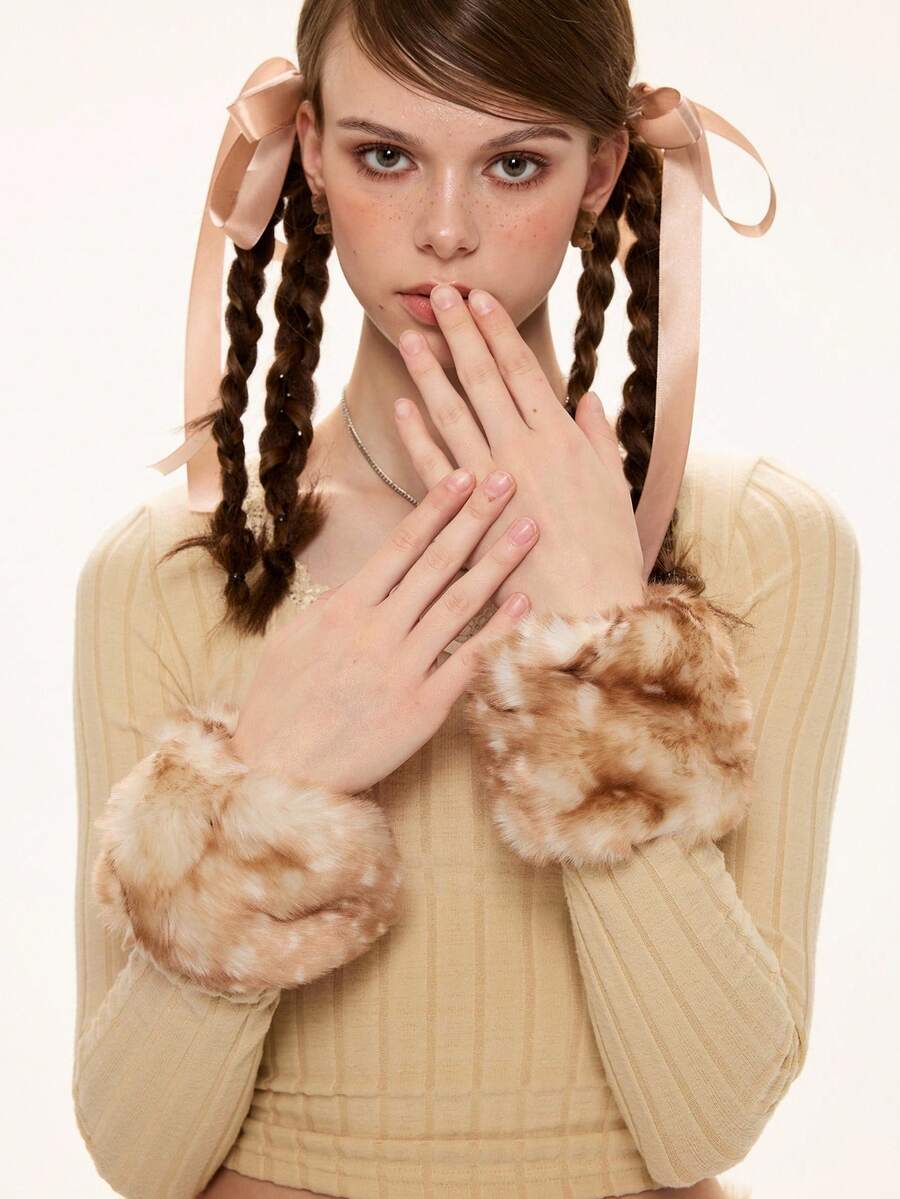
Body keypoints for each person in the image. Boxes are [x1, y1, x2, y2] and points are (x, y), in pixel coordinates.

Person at [70, 2, 860, 1198]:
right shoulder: (168, 574)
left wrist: (600, 656)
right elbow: (138, 1156)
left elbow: (708, 1120)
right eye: (386, 155)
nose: (446, 230)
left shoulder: (763, 544)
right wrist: (264, 793)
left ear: (602, 169)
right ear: (312, 156)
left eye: (514, 163)